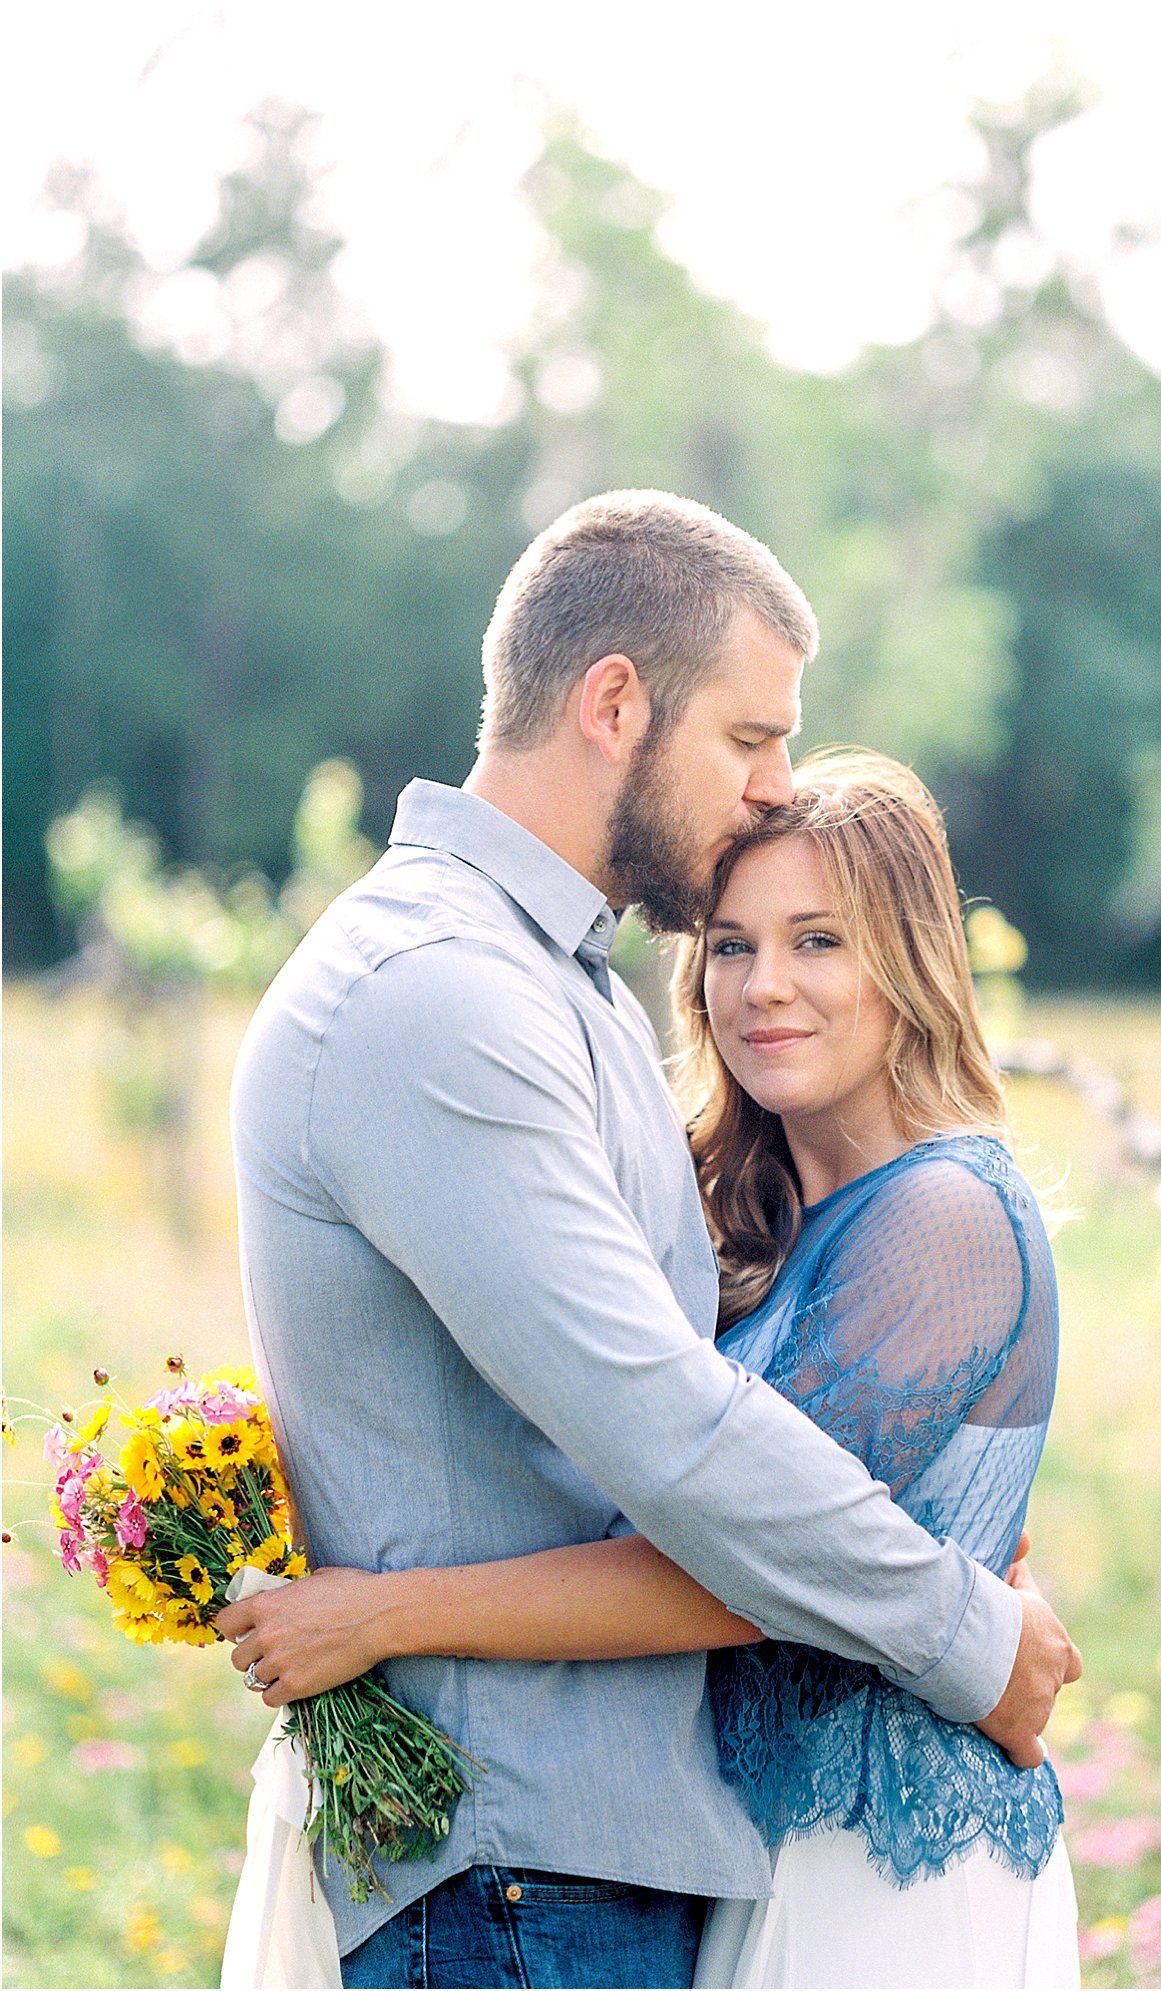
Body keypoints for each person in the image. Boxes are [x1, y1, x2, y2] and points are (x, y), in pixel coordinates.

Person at [225, 491, 1080, 1989]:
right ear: (616, 703)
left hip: (600, 1860)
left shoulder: (563, 987)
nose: (773, 787)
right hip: (512, 1863)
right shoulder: (442, 993)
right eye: (750, 739)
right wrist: (967, 1627)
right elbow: (670, 1431)